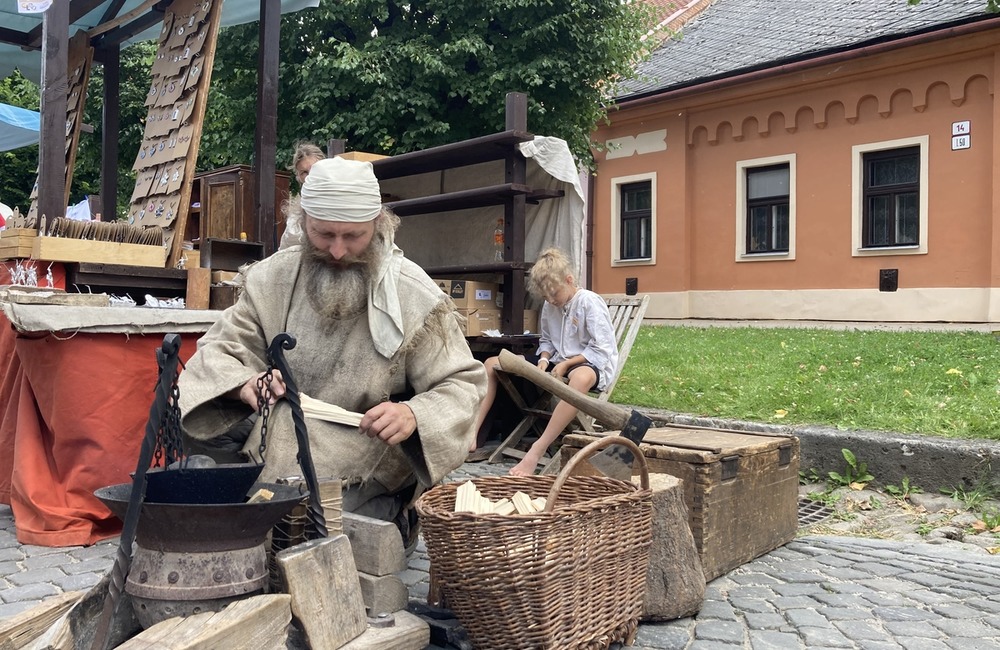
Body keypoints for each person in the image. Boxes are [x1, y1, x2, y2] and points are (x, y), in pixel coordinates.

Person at [178, 156, 487, 542]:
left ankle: (392, 513)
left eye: (353, 236)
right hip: (282, 424)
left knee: (313, 523)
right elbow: (219, 350)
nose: (338, 251)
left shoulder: (414, 295)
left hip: (362, 444)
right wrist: (245, 385)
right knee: (198, 417)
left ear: (378, 223)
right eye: (324, 234)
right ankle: (241, 499)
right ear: (303, 220)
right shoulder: (272, 278)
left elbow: (462, 385)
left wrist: (412, 414)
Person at [471, 247, 618, 476]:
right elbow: (547, 340)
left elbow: (602, 348)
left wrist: (567, 364)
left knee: (580, 378)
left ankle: (536, 451)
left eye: (554, 294)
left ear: (569, 280)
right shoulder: (550, 305)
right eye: (546, 296)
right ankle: (472, 434)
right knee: (492, 363)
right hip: (557, 361)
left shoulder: (589, 302)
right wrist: (543, 358)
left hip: (590, 363)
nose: (550, 300)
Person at [279, 141, 326, 250]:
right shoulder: (295, 215)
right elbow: (284, 250)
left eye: (315, 169)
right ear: (299, 177)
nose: (310, 176)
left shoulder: (338, 202)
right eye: (304, 172)